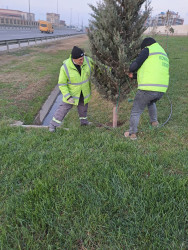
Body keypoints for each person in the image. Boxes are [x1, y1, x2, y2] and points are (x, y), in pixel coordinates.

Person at [124, 37, 169, 140]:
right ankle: (154, 122)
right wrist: (134, 76)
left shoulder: (148, 49)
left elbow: (136, 64)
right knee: (151, 102)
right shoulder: (162, 53)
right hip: (161, 90)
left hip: (148, 89)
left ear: (145, 46)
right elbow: (152, 71)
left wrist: (129, 69)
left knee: (136, 110)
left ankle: (132, 134)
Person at [49, 46, 93, 132]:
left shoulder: (87, 60)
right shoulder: (65, 67)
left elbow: (98, 67)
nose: (82, 61)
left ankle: (84, 122)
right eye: (80, 59)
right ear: (74, 59)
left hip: (84, 92)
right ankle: (53, 125)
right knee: (62, 110)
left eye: (83, 58)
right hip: (71, 94)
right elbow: (62, 84)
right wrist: (68, 97)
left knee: (83, 108)